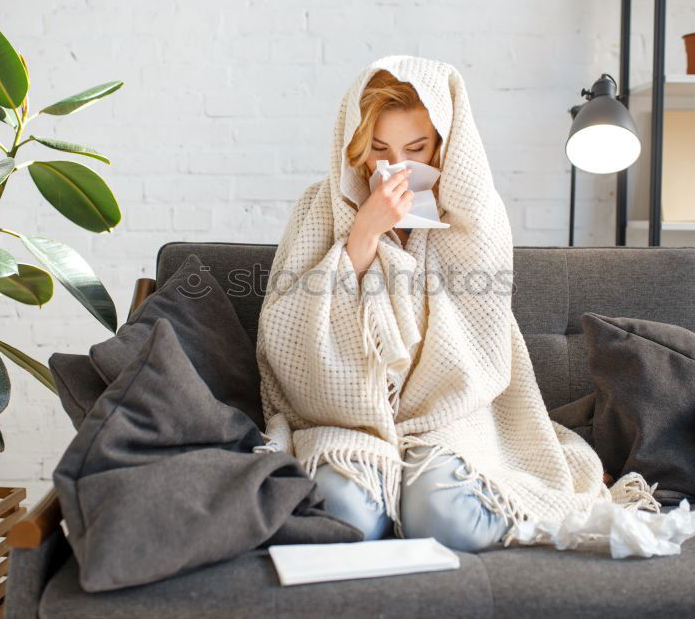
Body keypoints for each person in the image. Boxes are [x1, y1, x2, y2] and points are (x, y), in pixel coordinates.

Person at [253, 55, 658, 554]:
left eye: (416, 148)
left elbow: (475, 342)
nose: (395, 167)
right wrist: (364, 233)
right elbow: (289, 334)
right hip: (345, 418)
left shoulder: (476, 217)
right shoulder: (319, 207)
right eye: (379, 149)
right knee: (345, 516)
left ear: (446, 146)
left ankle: (416, 498)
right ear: (355, 146)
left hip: (450, 416)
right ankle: (381, 492)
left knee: (442, 516)